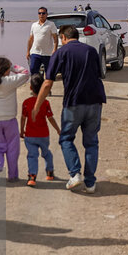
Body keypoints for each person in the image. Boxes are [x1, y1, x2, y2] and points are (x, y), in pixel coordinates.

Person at [34, 25, 107, 193]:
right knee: (91, 142)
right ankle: (90, 183)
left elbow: (47, 82)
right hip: (95, 102)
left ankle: (75, 175)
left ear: (63, 38)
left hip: (74, 103)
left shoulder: (61, 52)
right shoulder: (91, 51)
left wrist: (37, 106)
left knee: (66, 139)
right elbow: (99, 74)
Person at [0, 56, 29, 184]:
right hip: (9, 119)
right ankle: (12, 175)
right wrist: (14, 65)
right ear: (6, 70)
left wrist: (6, 67)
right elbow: (26, 73)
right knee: (12, 148)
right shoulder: (10, 81)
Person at [21, 74, 59, 186]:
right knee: (46, 153)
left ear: (30, 88)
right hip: (43, 135)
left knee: (32, 155)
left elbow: (23, 118)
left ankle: (32, 176)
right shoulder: (46, 103)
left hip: (30, 135)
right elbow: (50, 118)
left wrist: (21, 130)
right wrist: (58, 129)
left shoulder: (26, 103)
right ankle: (50, 172)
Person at [26, 7, 59, 76]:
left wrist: (54, 50)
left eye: (43, 13)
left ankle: (46, 84)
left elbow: (55, 39)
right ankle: (36, 84)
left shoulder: (51, 24)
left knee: (49, 73)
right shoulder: (34, 25)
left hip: (47, 53)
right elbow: (31, 39)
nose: (41, 15)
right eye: (39, 13)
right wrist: (28, 51)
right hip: (35, 52)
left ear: (46, 14)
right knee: (33, 70)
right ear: (38, 14)